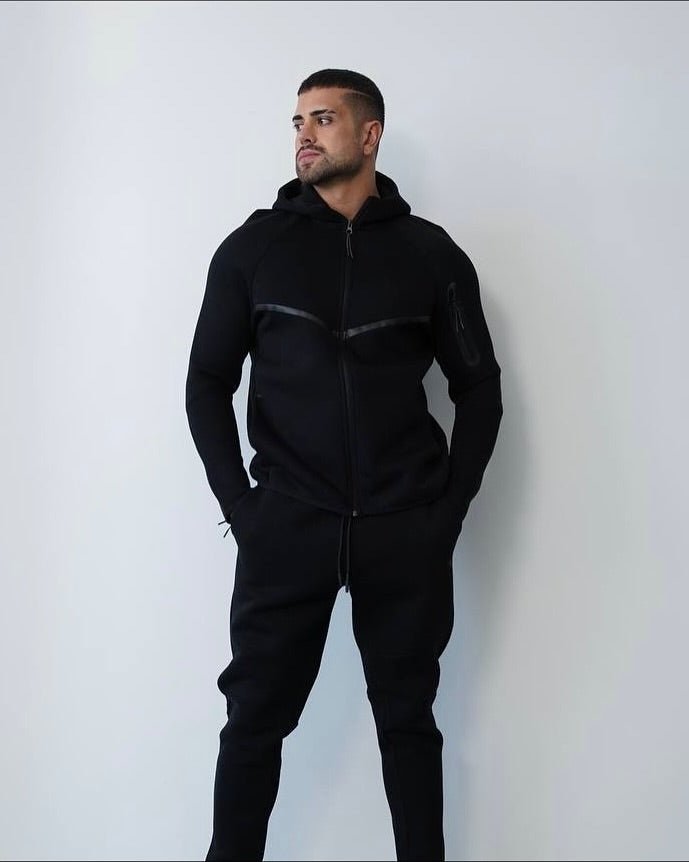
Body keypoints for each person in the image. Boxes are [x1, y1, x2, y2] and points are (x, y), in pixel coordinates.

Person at [185, 68, 503, 862]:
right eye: (297, 121)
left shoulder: (431, 255)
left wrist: (445, 514)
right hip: (287, 525)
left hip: (402, 527)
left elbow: (479, 390)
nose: (303, 134)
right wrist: (244, 510)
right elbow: (205, 383)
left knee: (408, 722)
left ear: (369, 134)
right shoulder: (253, 248)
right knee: (253, 721)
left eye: (323, 119)